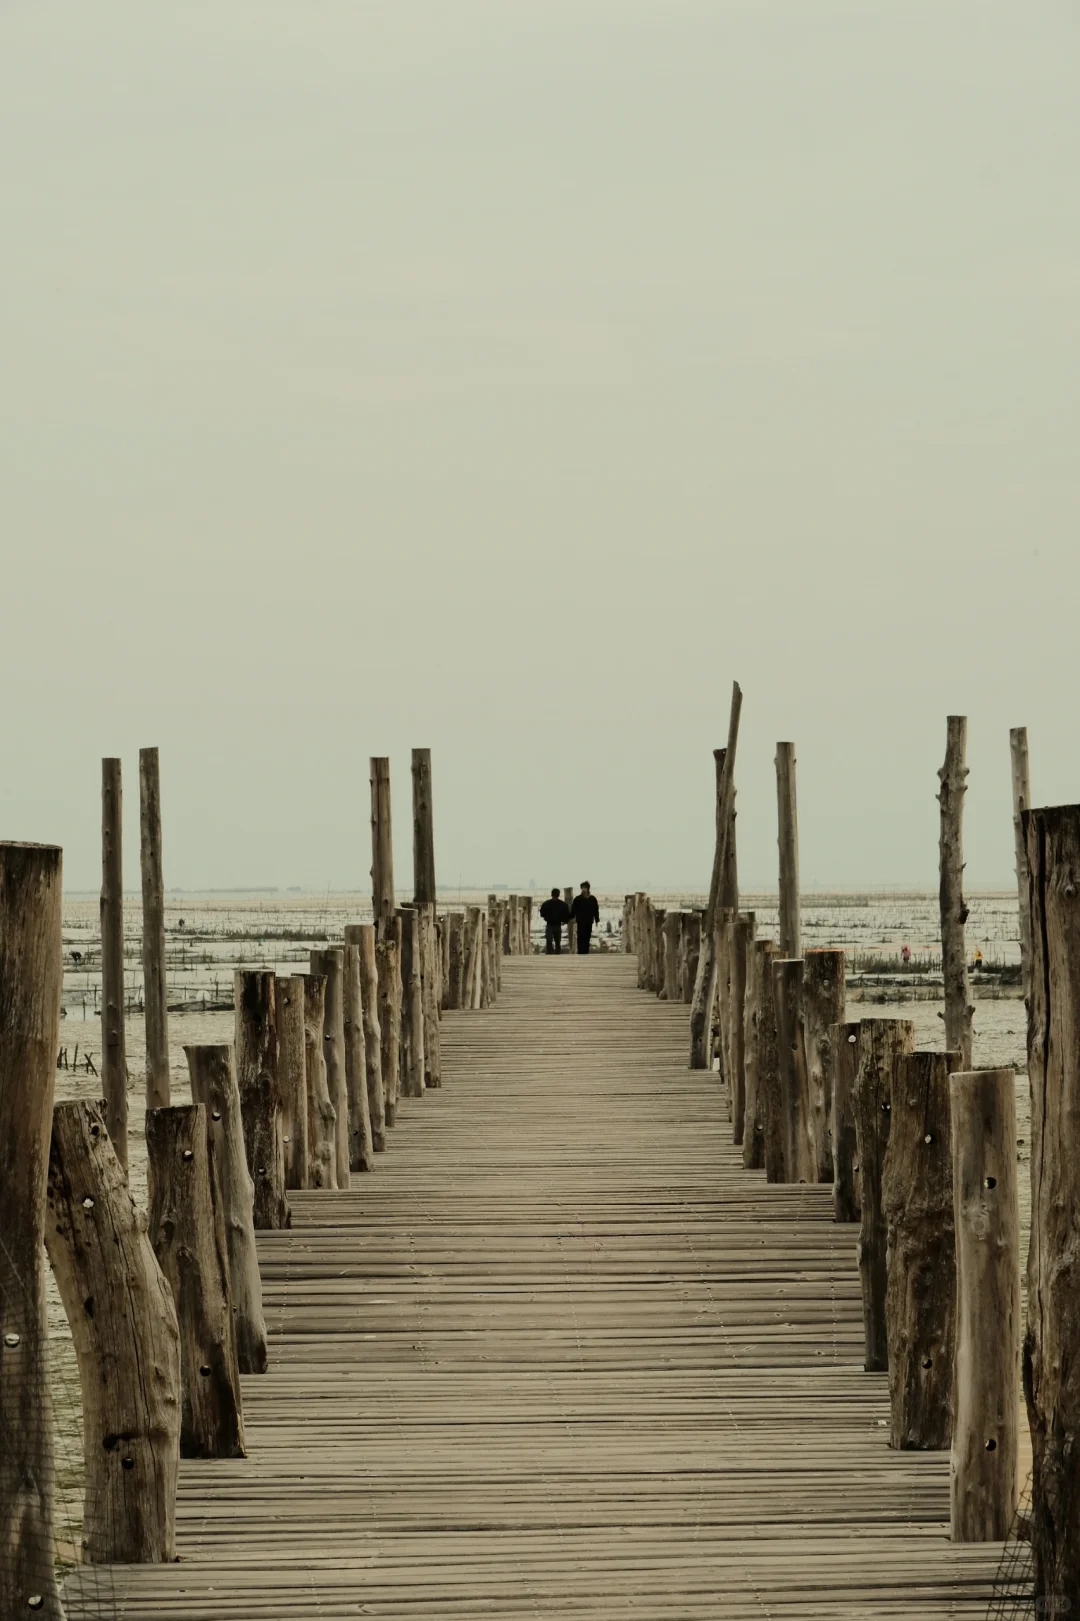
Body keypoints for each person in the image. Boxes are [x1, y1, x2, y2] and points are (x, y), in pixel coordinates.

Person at [570, 881, 600, 955]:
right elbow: (573, 910)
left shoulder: (592, 899)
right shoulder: (578, 899)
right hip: (580, 921)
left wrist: (597, 920)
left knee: (587, 937)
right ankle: (580, 952)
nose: (583, 889)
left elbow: (596, 910)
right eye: (582, 888)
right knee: (580, 937)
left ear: (588, 889)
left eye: (585, 888)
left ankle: (586, 952)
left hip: (589, 921)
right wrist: (569, 918)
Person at [539, 888, 571, 954]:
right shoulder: (563, 905)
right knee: (557, 942)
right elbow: (567, 915)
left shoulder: (546, 904)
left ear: (551, 894)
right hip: (558, 924)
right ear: (558, 895)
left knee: (549, 941)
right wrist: (565, 921)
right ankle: (557, 954)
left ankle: (549, 954)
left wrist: (546, 918)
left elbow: (542, 913)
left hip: (550, 924)